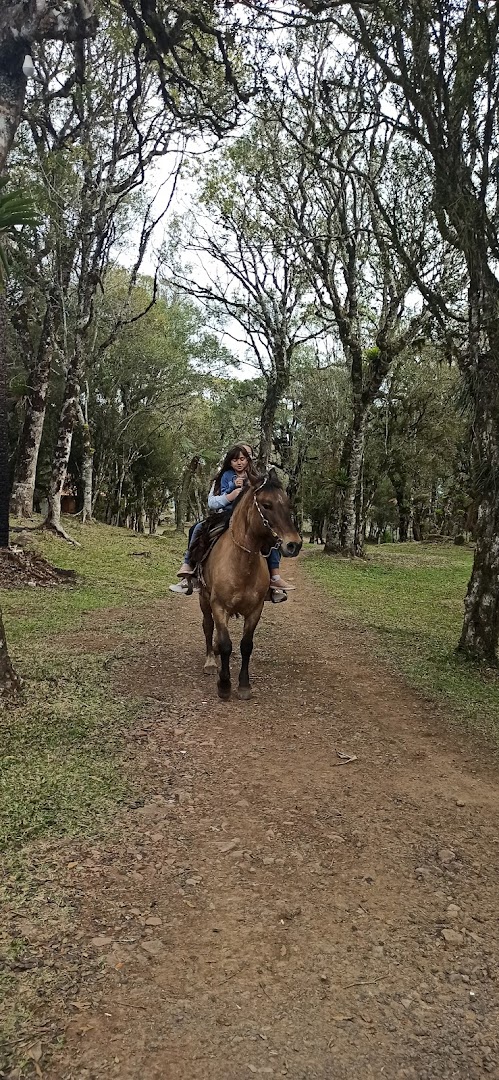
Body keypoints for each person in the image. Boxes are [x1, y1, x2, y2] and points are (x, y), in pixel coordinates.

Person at [169, 443, 295, 600]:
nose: (240, 462)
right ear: (230, 461)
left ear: (249, 459)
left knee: (273, 538)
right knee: (198, 528)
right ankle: (190, 570)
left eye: (244, 458)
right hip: (225, 515)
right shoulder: (224, 476)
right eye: (236, 459)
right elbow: (213, 502)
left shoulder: (258, 478)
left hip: (251, 519)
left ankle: (274, 580)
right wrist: (231, 493)